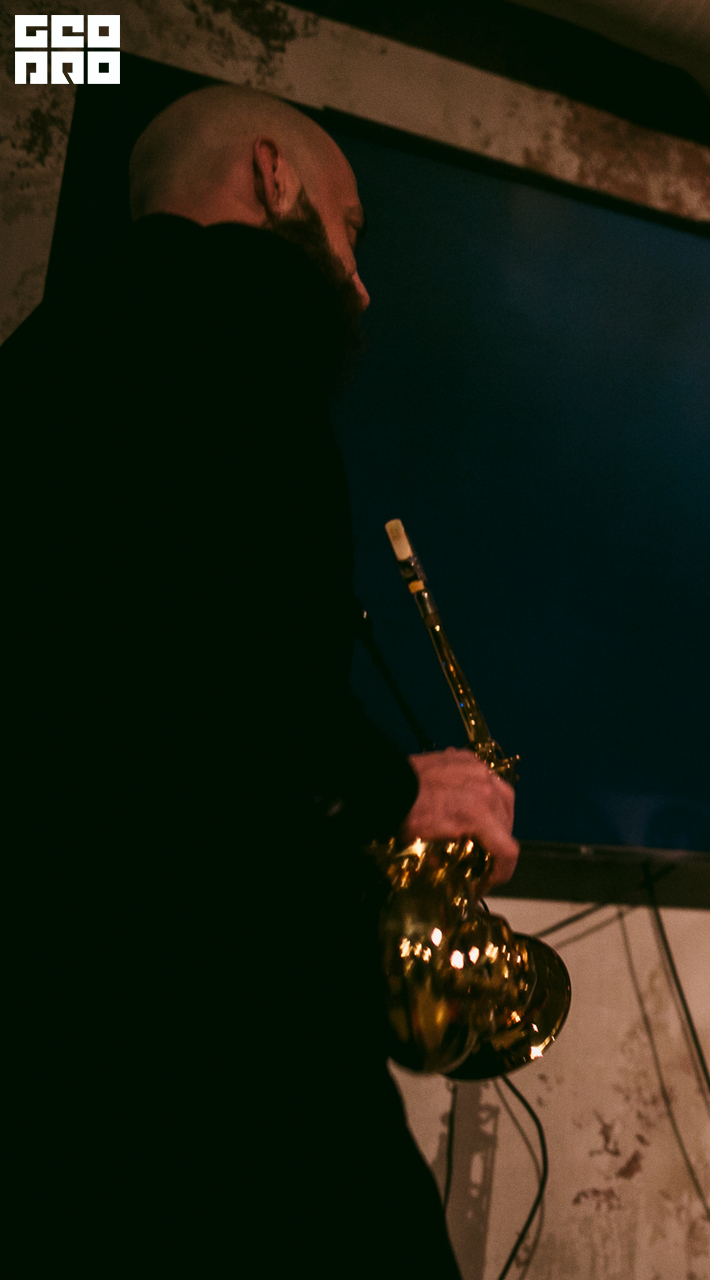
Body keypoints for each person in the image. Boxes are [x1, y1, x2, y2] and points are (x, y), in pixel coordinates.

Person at [5, 86, 513, 1272]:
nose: (359, 283)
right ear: (274, 176)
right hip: (216, 1033)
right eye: (350, 228)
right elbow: (225, 664)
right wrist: (399, 790)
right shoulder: (235, 330)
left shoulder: (43, 358)